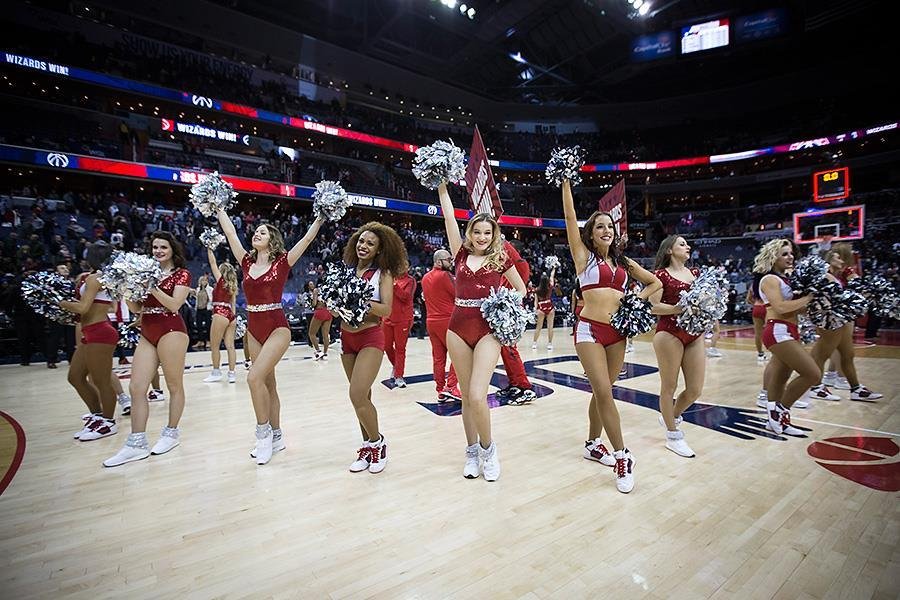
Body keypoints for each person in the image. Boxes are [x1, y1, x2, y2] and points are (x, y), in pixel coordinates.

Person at [561, 179, 661, 493]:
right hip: (589, 329)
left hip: (617, 333)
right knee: (604, 391)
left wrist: (636, 301)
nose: (607, 230)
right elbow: (568, 217)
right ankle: (622, 455)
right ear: (590, 233)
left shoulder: (622, 262)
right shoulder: (583, 257)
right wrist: (566, 183)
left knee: (602, 391)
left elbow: (654, 283)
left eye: (610, 226)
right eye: (600, 226)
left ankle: (593, 443)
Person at [217, 210, 324, 465]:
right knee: (268, 384)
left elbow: (306, 240)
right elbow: (231, 233)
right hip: (254, 328)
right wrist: (220, 209)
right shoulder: (245, 262)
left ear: (272, 239)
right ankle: (277, 437)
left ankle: (262, 435)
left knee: (253, 377)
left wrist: (319, 218)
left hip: (277, 326)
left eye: (263, 232)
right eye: (256, 231)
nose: (257, 233)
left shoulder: (283, 262)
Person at [437, 182, 527, 481]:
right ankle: (472, 451)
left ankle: (489, 450)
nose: (482, 237)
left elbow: (521, 289)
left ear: (494, 235)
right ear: (470, 233)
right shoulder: (460, 254)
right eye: (477, 232)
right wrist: (441, 187)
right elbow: (449, 218)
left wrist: (504, 308)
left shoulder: (501, 258)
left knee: (478, 394)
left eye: (487, 233)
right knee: (465, 397)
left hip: (488, 330)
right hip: (457, 328)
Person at [103, 232, 192, 467]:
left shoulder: (182, 274)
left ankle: (171, 433)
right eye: (154, 247)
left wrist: (151, 286)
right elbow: (135, 308)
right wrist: (127, 288)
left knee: (173, 385)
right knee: (136, 387)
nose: (158, 251)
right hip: (147, 327)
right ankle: (136, 443)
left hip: (171, 329)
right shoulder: (144, 274)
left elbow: (174, 305)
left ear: (173, 249)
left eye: (163, 247)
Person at [338, 222, 408, 474]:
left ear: (379, 250)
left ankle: (379, 443)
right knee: (363, 398)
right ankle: (368, 446)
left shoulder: (383, 273)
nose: (363, 246)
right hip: (347, 338)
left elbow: (386, 309)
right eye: (361, 240)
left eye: (370, 243)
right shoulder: (346, 271)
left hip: (370, 336)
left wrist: (359, 300)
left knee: (356, 394)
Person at [754, 239, 817, 437]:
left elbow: (798, 308)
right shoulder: (770, 279)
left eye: (791, 253)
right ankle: (779, 411)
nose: (790, 257)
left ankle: (776, 421)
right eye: (784, 254)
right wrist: (808, 298)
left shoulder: (787, 279)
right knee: (813, 374)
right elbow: (780, 307)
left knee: (780, 379)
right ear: (773, 257)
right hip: (777, 330)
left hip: (790, 330)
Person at [649, 236, 704, 458]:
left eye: (687, 244)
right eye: (682, 244)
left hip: (695, 333)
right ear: (669, 250)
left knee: (694, 390)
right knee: (669, 386)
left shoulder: (698, 275)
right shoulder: (660, 276)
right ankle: (673, 436)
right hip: (669, 333)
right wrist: (681, 308)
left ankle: (670, 416)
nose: (687, 246)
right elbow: (653, 307)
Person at [806, 244, 882, 402]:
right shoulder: (823, 274)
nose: (843, 261)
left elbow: (861, 290)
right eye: (839, 257)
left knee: (848, 354)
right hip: (828, 319)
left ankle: (856, 389)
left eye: (844, 258)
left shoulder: (843, 274)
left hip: (843, 318)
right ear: (830, 257)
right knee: (821, 354)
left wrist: (852, 276)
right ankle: (815, 386)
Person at [60, 241, 120, 441]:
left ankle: (109, 423)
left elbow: (83, 308)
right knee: (75, 377)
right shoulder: (98, 278)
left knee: (102, 381)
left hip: (100, 332)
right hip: (91, 332)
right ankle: (97, 415)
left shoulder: (96, 278)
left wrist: (57, 301)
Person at [496, 239, 536, 405]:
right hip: (504, 311)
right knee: (505, 351)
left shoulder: (520, 264)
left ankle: (525, 387)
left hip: (511, 312)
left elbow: (504, 245)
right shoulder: (509, 266)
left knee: (510, 350)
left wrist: (496, 236)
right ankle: (515, 384)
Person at [421, 248, 460, 402]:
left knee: (438, 358)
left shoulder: (425, 277)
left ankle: (440, 390)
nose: (451, 262)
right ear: (438, 261)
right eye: (448, 259)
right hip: (447, 321)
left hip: (431, 321)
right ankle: (451, 386)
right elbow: (459, 294)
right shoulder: (445, 275)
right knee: (459, 354)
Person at [203, 248, 238, 384]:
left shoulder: (220, 280)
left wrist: (210, 248)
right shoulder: (232, 285)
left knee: (215, 346)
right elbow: (233, 305)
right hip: (231, 316)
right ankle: (232, 374)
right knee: (230, 346)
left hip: (220, 313)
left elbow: (212, 263)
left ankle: (216, 372)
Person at [383, 268, 417, 388]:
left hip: (403, 319)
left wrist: (394, 286)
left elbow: (406, 297)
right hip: (387, 317)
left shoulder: (410, 281)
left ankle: (399, 376)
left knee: (400, 348)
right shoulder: (389, 279)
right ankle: (396, 366)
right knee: (386, 346)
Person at [531, 267, 557, 350]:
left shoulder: (537, 290)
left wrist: (535, 310)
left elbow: (536, 301)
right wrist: (553, 268)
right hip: (549, 306)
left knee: (539, 327)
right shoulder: (550, 286)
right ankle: (550, 344)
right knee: (550, 326)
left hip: (541, 307)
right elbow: (552, 277)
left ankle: (534, 343)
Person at [306, 280, 333, 360]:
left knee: (311, 333)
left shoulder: (316, 290)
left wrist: (311, 303)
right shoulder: (328, 289)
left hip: (320, 312)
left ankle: (318, 352)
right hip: (328, 312)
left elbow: (314, 303)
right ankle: (325, 354)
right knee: (325, 335)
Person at [747, 278, 768, 363]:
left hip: (757, 307)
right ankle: (775, 354)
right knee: (770, 331)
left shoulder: (754, 284)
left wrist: (756, 304)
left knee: (758, 333)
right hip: (768, 307)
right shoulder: (770, 281)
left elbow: (748, 299)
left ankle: (760, 354)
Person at [194, 275, 212, 350]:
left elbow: (211, 299)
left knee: (208, 326)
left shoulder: (210, 289)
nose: (203, 282)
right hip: (199, 309)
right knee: (199, 325)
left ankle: (208, 341)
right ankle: (200, 341)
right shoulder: (198, 289)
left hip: (207, 309)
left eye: (205, 280)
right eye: (202, 280)